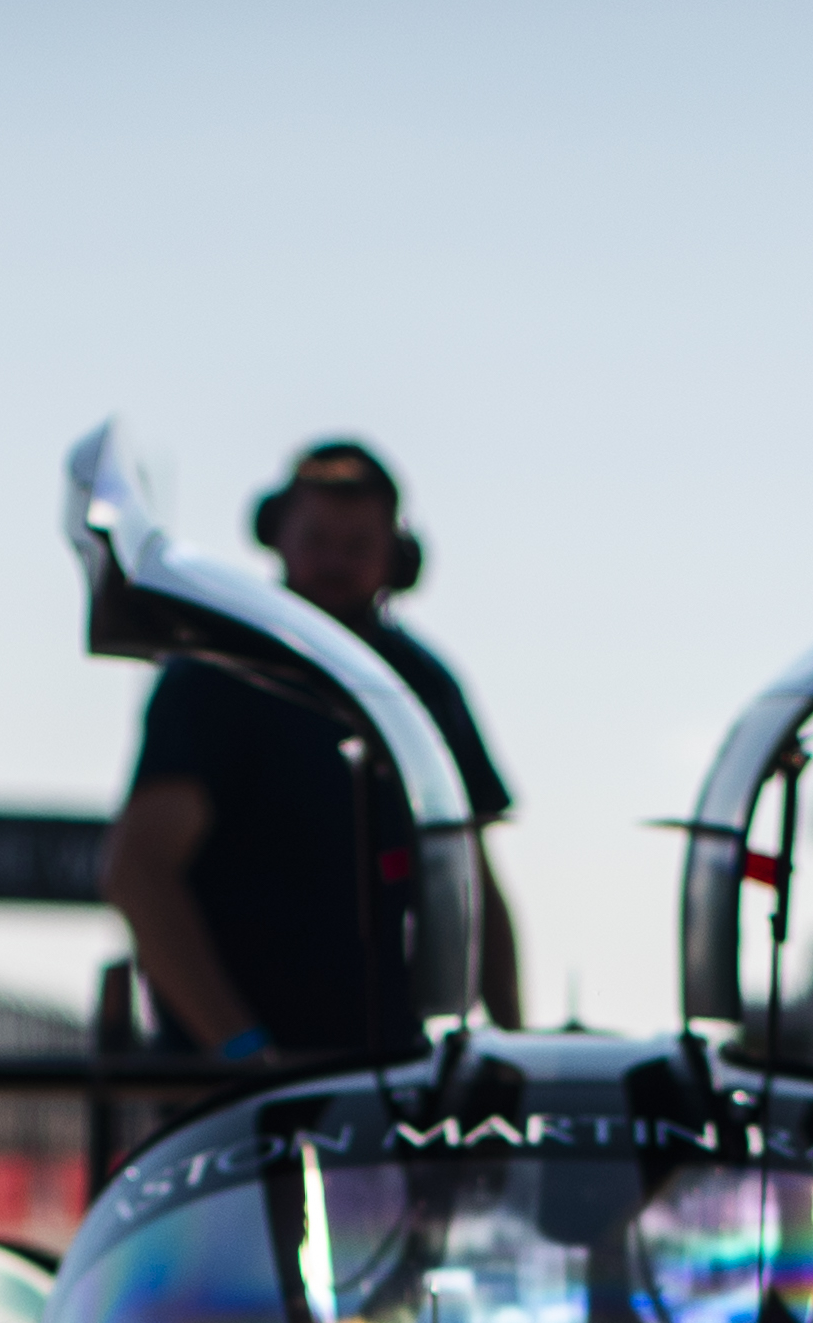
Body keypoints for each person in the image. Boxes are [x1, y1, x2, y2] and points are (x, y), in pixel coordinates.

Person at [101, 439, 522, 1059]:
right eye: (317, 537)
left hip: (392, 1083)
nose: (334, 561)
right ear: (277, 535)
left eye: (357, 546)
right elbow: (139, 873)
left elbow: (470, 881)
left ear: (397, 557)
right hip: (235, 1100)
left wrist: (516, 1046)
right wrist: (241, 1050)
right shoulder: (215, 678)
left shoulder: (426, 686)